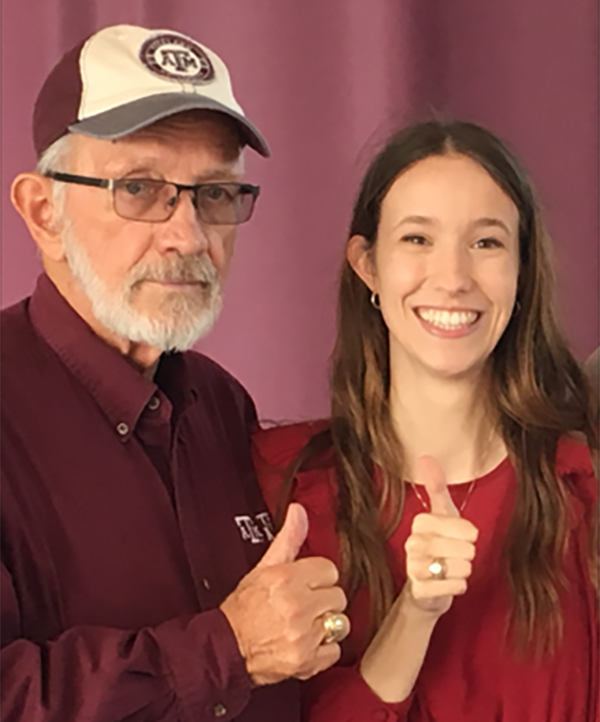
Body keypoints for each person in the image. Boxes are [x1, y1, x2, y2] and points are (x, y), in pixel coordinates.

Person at [0, 24, 349, 721]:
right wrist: (227, 649)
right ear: (44, 212)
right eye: (139, 187)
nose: (189, 235)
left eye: (216, 194)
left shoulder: (221, 404)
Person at [253, 119, 600, 721]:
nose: (453, 278)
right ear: (368, 266)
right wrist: (417, 610)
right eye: (417, 239)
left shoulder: (583, 483)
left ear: (522, 273)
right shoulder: (283, 487)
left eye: (486, 243)